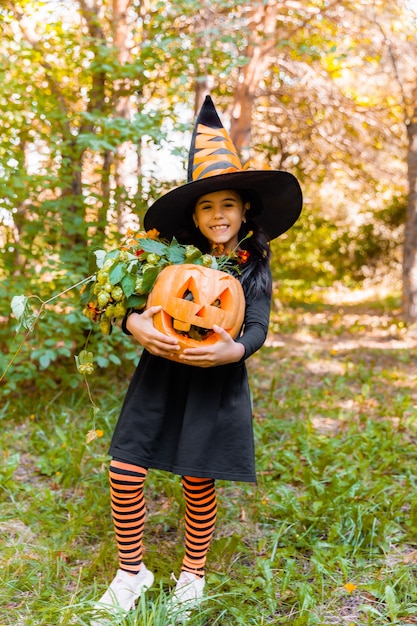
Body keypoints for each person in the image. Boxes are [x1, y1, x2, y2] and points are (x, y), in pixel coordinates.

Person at [91, 96, 302, 624]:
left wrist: (233, 350)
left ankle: (192, 575)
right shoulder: (166, 257)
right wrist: (133, 323)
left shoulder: (253, 266)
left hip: (214, 378)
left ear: (244, 209)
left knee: (197, 477)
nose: (218, 215)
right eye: (207, 207)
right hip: (160, 373)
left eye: (227, 204)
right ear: (194, 216)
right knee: (125, 467)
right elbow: (122, 301)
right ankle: (131, 572)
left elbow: (255, 326)